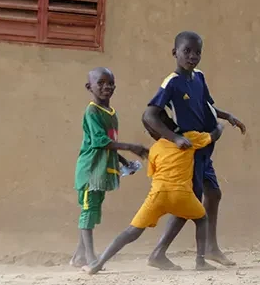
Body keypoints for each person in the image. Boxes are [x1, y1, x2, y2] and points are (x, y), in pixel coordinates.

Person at [142, 31, 246, 271]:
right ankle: (158, 252)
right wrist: (175, 138)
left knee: (214, 193)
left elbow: (207, 105)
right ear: (174, 52)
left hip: (205, 149)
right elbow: (149, 115)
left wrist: (227, 115)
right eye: (186, 51)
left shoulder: (198, 77)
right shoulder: (171, 83)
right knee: (189, 203)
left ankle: (211, 247)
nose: (192, 56)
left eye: (197, 52)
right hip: (189, 152)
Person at [83, 113, 224, 274]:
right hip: (182, 195)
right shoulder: (190, 138)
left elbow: (153, 173)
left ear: (155, 132)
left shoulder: (155, 149)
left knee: (131, 231)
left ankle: (98, 263)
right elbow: (213, 136)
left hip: (157, 196)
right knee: (202, 219)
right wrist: (220, 126)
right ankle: (200, 261)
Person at [71, 68, 148, 268]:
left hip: (102, 170)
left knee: (93, 210)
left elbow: (109, 145)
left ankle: (79, 256)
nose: (107, 87)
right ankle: (90, 257)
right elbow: (101, 141)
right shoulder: (92, 111)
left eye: (111, 83)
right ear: (89, 87)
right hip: (90, 171)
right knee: (88, 210)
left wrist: (124, 163)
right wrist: (131, 147)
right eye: (101, 83)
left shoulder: (110, 113)